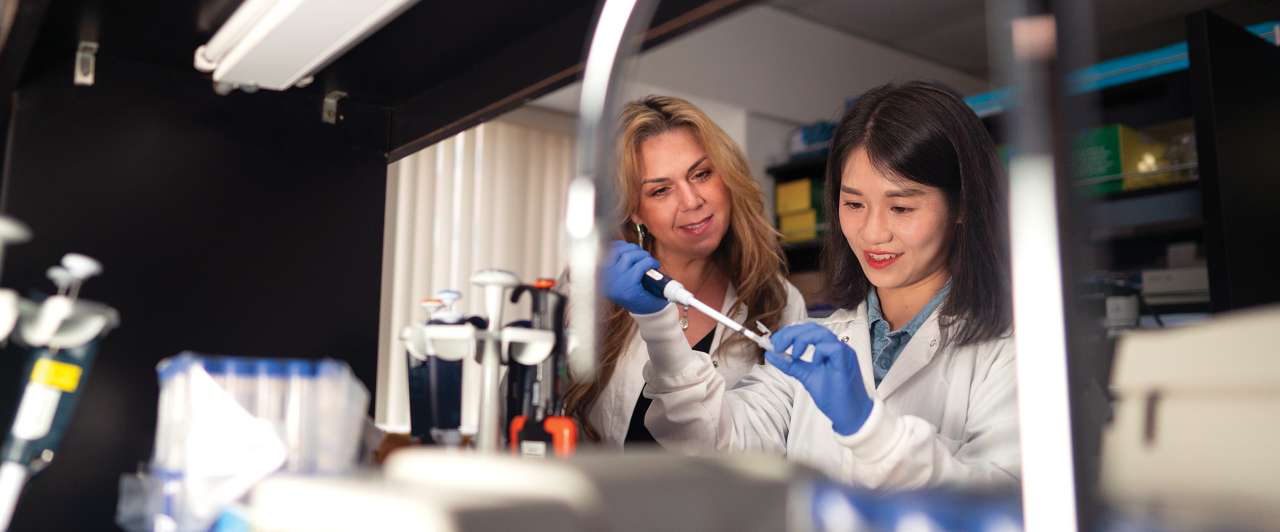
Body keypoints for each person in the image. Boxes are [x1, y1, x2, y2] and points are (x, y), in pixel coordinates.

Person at [638, 81, 1019, 488]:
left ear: (961, 205)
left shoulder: (1015, 352)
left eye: (901, 207)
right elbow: (713, 445)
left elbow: (1004, 503)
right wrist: (658, 325)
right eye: (853, 203)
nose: (872, 233)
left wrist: (865, 425)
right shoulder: (822, 342)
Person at [565, 95, 807, 448]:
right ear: (634, 210)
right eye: (661, 190)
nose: (692, 200)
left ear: (727, 177)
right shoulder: (588, 290)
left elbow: (774, 442)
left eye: (702, 174)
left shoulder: (779, 301)